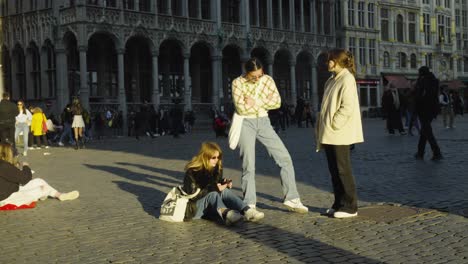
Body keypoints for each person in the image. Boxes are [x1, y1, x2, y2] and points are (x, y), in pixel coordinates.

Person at [231, 57, 308, 213]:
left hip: (264, 121)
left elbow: (277, 103)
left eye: (260, 74)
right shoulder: (236, 83)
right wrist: (263, 100)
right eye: (254, 77)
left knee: (284, 157)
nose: (258, 78)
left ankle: (291, 198)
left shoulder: (267, 80)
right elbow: (241, 109)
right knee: (249, 164)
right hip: (246, 123)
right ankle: (249, 202)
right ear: (246, 73)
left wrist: (255, 101)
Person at [315, 49, 364, 218]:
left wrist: (334, 123)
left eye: (330, 60)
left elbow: (347, 106)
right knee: (334, 170)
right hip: (329, 132)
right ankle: (338, 203)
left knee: (343, 169)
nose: (327, 62)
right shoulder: (331, 80)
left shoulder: (347, 79)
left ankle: (350, 206)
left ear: (338, 61)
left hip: (339, 132)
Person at [182, 142, 264, 225]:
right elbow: (192, 195)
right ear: (205, 157)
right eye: (214, 157)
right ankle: (227, 214)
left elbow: (213, 184)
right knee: (213, 194)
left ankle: (247, 211)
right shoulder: (193, 171)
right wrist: (215, 188)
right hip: (193, 208)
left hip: (209, 207)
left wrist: (223, 183)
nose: (217, 160)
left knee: (224, 191)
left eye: (218, 157)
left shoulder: (216, 168)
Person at [0, 143, 79, 207]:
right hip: (7, 198)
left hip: (11, 190)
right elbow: (25, 178)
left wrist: (16, 168)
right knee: (43, 189)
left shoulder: (3, 164)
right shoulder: (4, 166)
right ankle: (47, 194)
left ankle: (60, 195)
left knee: (39, 181)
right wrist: (26, 166)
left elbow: (13, 176)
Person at [414, 66, 443, 161]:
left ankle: (437, 152)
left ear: (422, 73)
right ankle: (420, 152)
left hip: (424, 109)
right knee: (424, 131)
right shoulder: (434, 80)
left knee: (427, 132)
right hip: (432, 109)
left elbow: (420, 95)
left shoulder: (423, 81)